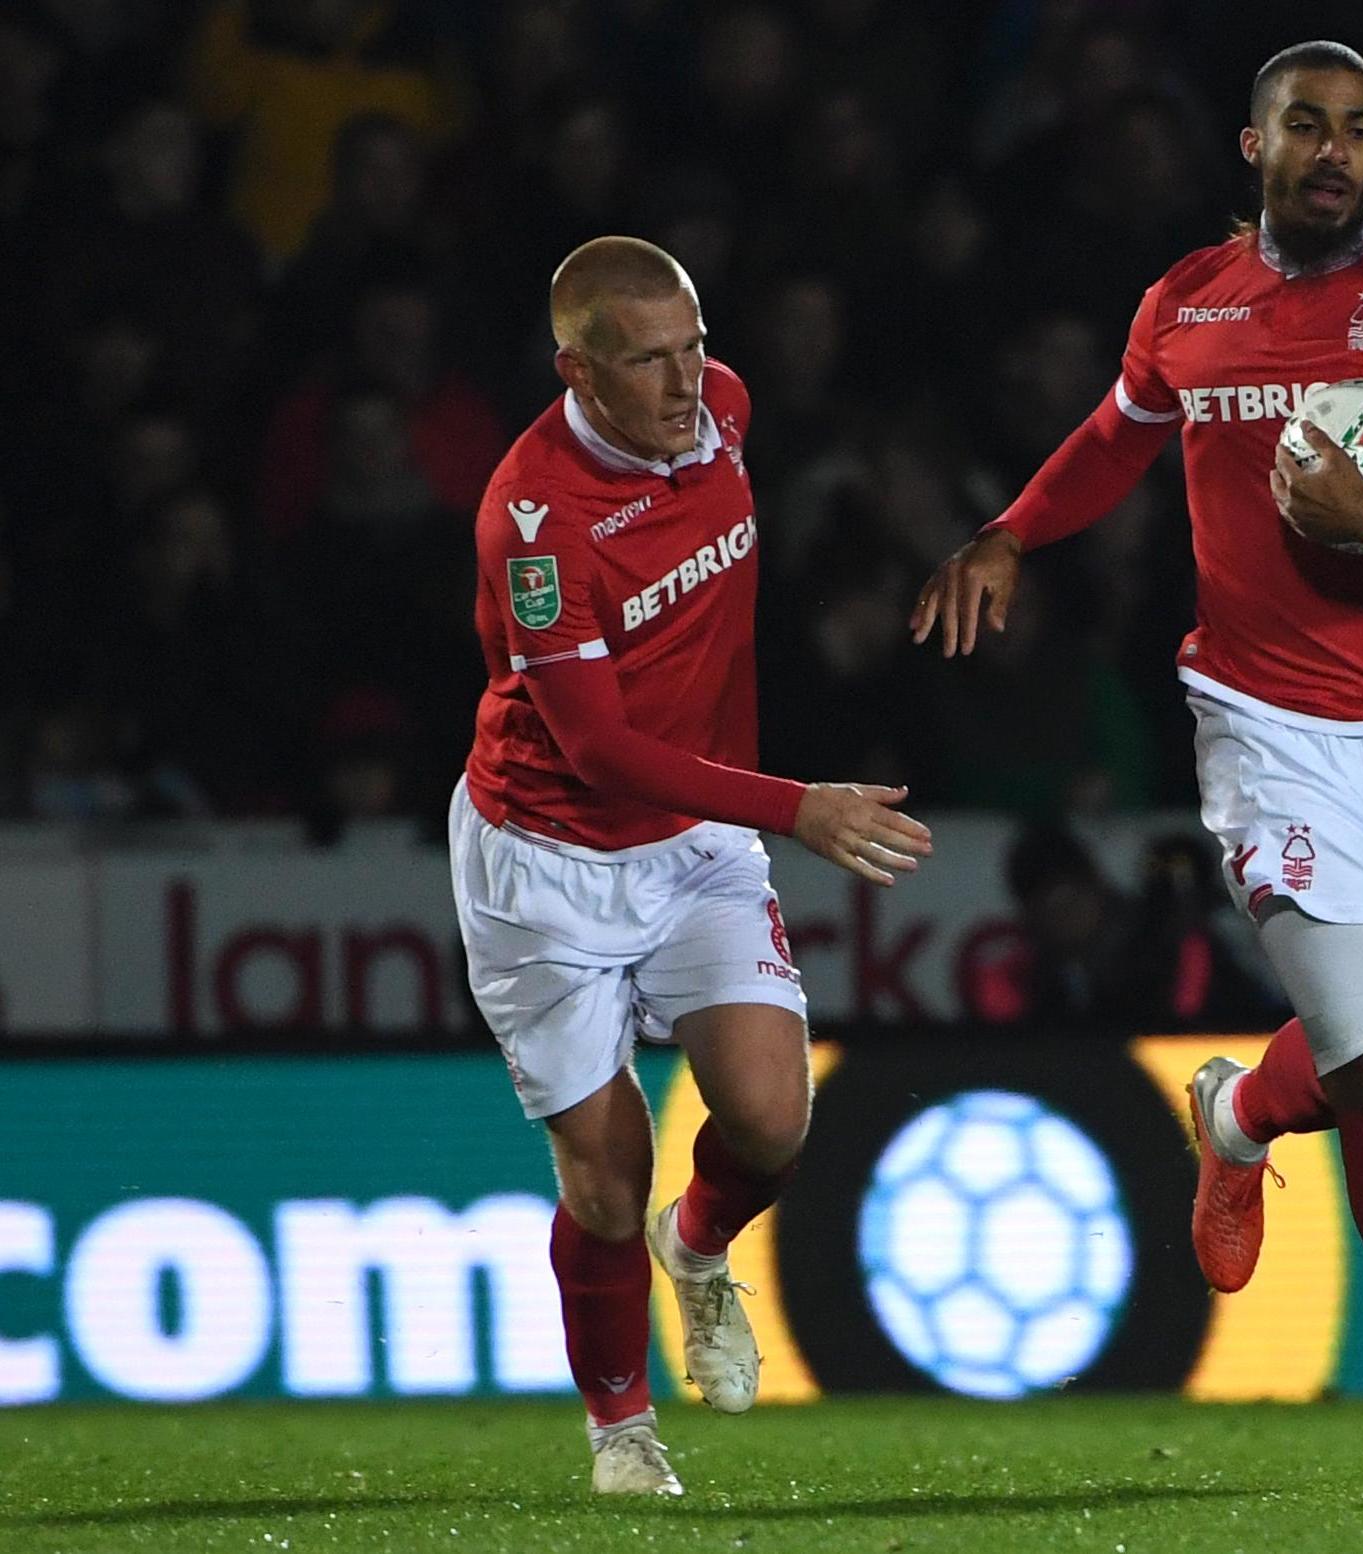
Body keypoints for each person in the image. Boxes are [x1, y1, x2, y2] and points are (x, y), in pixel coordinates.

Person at [912, 42, 1363, 1487]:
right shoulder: (1185, 304)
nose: (1335, 151)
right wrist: (1012, 530)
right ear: (1249, 146)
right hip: (1264, 731)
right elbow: (1110, 436)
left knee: (1347, 1062)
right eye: (1306, 127)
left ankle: (1232, 1110)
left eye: (1359, 130)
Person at [451, 236, 931, 1496]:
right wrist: (798, 807)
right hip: (550, 858)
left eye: (696, 344)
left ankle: (700, 1246)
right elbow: (601, 750)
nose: (688, 381)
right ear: (577, 370)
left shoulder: (722, 414)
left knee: (771, 1119)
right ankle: (622, 1431)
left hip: (696, 840)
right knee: (603, 1182)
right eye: (650, 360)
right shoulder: (536, 522)